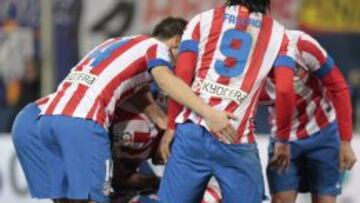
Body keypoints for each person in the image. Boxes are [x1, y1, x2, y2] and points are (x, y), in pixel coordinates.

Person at [35, 16, 237, 203]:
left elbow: (133, 88)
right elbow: (166, 82)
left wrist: (162, 120)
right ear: (177, 41)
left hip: (48, 118)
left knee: (67, 199)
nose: (188, 64)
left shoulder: (116, 43)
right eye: (190, 53)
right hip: (85, 120)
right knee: (96, 198)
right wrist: (208, 112)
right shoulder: (156, 47)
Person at [158, 0, 297, 202]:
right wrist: (283, 140)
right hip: (236, 138)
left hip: (191, 133)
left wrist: (172, 125)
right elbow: (284, 91)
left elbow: (183, 76)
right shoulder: (282, 36)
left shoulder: (201, 20)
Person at [261, 30, 357, 203]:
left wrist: (345, 140)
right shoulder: (246, 66)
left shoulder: (303, 45)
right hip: (283, 139)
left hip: (323, 133)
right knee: (281, 199)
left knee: (325, 200)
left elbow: (339, 87)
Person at [110, 86, 222, 203]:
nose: (164, 162)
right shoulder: (143, 133)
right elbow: (119, 179)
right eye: (170, 156)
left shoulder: (147, 140)